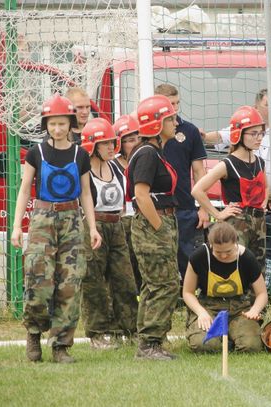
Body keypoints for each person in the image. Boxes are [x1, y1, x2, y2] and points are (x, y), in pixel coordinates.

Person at [11, 93, 102, 363]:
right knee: (39, 280)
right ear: (45, 124)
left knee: (70, 284)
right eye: (52, 123)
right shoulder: (35, 153)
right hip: (42, 219)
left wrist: (93, 228)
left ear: (71, 123)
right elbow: (25, 189)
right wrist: (17, 226)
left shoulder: (80, 154)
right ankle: (34, 334)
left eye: (62, 123)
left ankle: (61, 345)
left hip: (73, 221)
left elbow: (86, 193)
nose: (57, 129)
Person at [126, 95, 180, 361]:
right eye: (170, 118)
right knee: (165, 285)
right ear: (158, 124)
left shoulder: (153, 152)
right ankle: (150, 344)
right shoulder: (147, 153)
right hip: (153, 225)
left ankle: (149, 342)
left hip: (160, 223)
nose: (175, 122)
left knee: (154, 285)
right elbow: (141, 195)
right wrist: (160, 227)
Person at [79, 118, 138, 350]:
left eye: (113, 142)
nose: (112, 147)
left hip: (117, 225)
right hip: (94, 226)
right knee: (94, 281)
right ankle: (97, 332)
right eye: (105, 143)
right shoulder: (83, 170)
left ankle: (129, 328)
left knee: (125, 279)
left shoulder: (115, 166)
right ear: (92, 146)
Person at [192, 106, 269, 272]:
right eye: (253, 133)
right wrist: (218, 214)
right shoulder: (228, 164)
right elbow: (197, 190)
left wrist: (263, 202)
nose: (259, 138)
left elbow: (266, 186)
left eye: (261, 133)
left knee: (257, 272)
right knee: (236, 269)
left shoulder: (259, 162)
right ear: (239, 135)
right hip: (237, 224)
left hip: (259, 224)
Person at [183, 222, 268, 352]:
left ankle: (232, 336)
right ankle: (220, 339)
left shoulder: (247, 258)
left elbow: (262, 293)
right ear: (210, 244)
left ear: (236, 242)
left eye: (228, 251)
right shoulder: (199, 257)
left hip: (239, 309)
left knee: (251, 346)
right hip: (208, 308)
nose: (223, 256)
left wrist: (254, 311)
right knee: (204, 345)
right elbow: (188, 292)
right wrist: (201, 313)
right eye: (218, 252)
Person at [155, 84, 208, 281]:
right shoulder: (150, 134)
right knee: (161, 261)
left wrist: (203, 208)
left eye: (177, 103)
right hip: (158, 208)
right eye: (170, 104)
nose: (175, 109)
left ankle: (192, 306)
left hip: (185, 207)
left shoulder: (189, 130)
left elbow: (199, 170)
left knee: (189, 261)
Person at [203, 89, 271, 189]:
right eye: (268, 105)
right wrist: (203, 136)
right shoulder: (244, 127)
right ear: (256, 108)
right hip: (249, 194)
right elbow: (220, 136)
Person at [113, 114, 142, 291]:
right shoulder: (111, 165)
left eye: (139, 138)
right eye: (131, 140)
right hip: (122, 222)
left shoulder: (146, 159)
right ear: (119, 143)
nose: (136, 143)